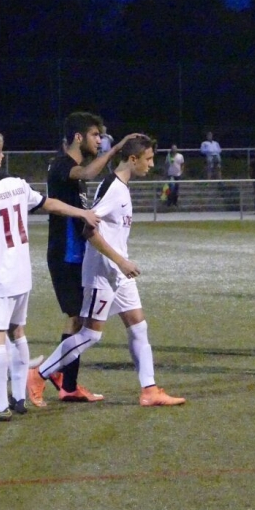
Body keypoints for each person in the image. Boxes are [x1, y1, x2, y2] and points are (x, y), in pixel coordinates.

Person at [0, 128, 100, 421]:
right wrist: (81, 212)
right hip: (22, 276)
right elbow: (49, 203)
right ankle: (19, 398)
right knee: (17, 332)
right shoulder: (17, 185)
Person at [28, 135, 186, 407]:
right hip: (102, 271)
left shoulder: (121, 187)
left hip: (119, 273)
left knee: (138, 326)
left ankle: (149, 390)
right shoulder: (113, 188)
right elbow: (89, 230)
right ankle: (38, 374)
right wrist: (120, 261)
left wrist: (121, 263)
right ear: (133, 159)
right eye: (148, 159)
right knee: (91, 334)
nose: (151, 164)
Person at [45, 112, 140, 406]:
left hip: (77, 252)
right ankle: (56, 377)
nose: (99, 141)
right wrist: (116, 149)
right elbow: (87, 174)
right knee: (78, 318)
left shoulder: (72, 168)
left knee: (78, 318)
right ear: (78, 137)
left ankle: (66, 381)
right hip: (65, 252)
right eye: (95, 135)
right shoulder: (62, 165)